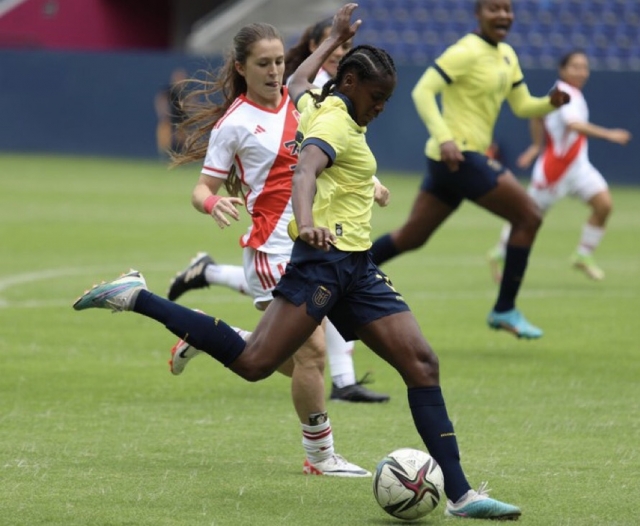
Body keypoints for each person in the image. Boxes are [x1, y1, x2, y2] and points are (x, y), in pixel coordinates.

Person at [73, 4, 522, 519]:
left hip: (357, 265)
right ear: (351, 85)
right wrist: (303, 218)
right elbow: (306, 169)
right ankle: (139, 297)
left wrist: (332, 38)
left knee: (421, 363)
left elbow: (304, 78)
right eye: (377, 98)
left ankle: (462, 495)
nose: (381, 107)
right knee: (257, 364)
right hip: (316, 263)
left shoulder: (310, 100)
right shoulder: (328, 119)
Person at [153, 16, 370, 477]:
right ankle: (321, 458)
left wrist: (375, 183)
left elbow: (327, 152)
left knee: (288, 361)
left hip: (313, 248)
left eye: (277, 62)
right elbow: (200, 188)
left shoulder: (302, 99)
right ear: (241, 67)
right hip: (272, 253)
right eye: (263, 64)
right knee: (313, 355)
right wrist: (212, 203)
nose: (273, 71)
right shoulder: (234, 125)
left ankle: (211, 340)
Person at [368, 0, 570, 340]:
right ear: (478, 14)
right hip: (457, 155)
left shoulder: (507, 55)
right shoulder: (465, 51)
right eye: (494, 9)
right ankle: (505, 308)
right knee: (529, 216)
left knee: (411, 237)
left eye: (507, 9)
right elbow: (423, 91)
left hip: (453, 161)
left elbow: (523, 106)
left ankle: (340, 272)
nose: (503, 15)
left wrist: (548, 103)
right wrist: (445, 137)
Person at [487, 50, 632, 282]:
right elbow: (574, 125)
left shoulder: (567, 93)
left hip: (578, 167)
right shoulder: (564, 93)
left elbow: (537, 116)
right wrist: (608, 134)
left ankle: (582, 255)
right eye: (575, 66)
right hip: (555, 171)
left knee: (604, 205)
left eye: (584, 66)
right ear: (562, 70)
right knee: (527, 217)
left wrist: (536, 145)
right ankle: (501, 252)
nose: (581, 71)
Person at [154, 68, 188, 155]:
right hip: (170, 118)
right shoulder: (168, 90)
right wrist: (163, 113)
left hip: (181, 119)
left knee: (182, 139)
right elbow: (161, 100)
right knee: (166, 139)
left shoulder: (185, 92)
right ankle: (166, 157)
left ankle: (181, 156)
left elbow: (191, 102)